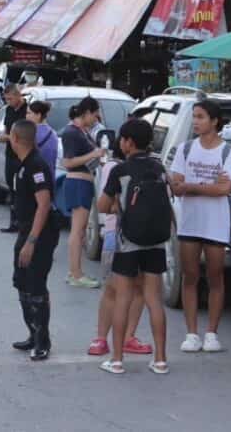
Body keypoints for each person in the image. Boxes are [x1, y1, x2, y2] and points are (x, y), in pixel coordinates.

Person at [96, 118, 170, 375]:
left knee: (123, 298)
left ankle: (117, 360)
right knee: (154, 300)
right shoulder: (160, 169)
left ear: (128, 142)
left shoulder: (121, 170)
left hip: (129, 240)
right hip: (157, 241)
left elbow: (103, 207)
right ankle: (160, 360)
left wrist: (118, 205)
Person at [171, 99, 231, 354]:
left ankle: (211, 332)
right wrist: (203, 187)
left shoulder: (228, 152)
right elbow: (176, 185)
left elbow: (224, 189)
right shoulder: (185, 149)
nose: (196, 122)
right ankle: (191, 333)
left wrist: (191, 186)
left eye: (201, 117)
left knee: (215, 277)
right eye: (194, 117)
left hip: (216, 224)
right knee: (190, 276)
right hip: (189, 222)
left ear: (214, 121)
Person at [88, 136, 150, 359]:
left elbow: (106, 204)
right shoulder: (127, 168)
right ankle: (116, 338)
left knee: (121, 289)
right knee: (125, 289)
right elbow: (108, 204)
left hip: (117, 233)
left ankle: (108, 339)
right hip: (127, 235)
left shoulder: (114, 167)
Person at [8, 119, 61, 361]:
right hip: (26, 230)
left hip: (39, 234)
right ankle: (32, 334)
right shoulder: (23, 164)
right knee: (22, 283)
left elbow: (44, 205)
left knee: (36, 287)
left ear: (16, 138)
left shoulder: (36, 166)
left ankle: (42, 341)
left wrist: (31, 241)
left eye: (10, 135)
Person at [61, 97, 107, 288]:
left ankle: (76, 272)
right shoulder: (72, 132)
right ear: (86, 112)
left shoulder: (81, 132)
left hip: (84, 182)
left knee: (79, 231)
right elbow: (68, 162)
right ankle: (75, 273)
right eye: (95, 115)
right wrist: (94, 154)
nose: (96, 119)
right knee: (78, 231)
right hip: (78, 182)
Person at [0, 85, 28, 234]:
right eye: (6, 99)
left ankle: (24, 223)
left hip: (22, 156)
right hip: (10, 154)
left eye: (10, 99)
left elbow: (24, 135)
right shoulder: (9, 110)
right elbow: (8, 129)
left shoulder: (27, 111)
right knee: (12, 189)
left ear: (18, 96)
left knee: (23, 190)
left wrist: (7, 138)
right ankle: (13, 222)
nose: (8, 102)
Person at [27, 101, 58, 182]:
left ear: (38, 115)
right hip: (49, 177)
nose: (26, 116)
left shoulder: (31, 133)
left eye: (29, 113)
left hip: (35, 177)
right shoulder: (53, 133)